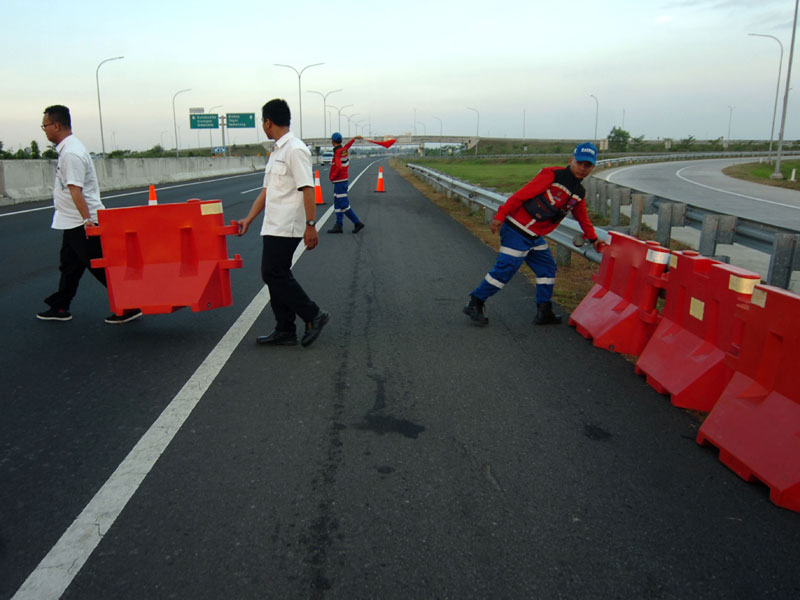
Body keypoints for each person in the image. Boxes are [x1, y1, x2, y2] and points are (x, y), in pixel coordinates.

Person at [463, 142, 604, 326]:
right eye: (580, 163)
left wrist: (593, 238)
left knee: (547, 268)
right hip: (517, 229)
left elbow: (582, 217)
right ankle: (475, 302)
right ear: (571, 160)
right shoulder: (553, 175)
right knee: (505, 270)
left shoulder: (579, 192)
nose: (583, 168)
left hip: (534, 236)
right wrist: (501, 215)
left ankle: (544, 311)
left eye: (588, 165)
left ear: (592, 167)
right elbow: (521, 195)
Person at [235, 98, 330, 347]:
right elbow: (267, 191)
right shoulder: (277, 150)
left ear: (268, 122)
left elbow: (307, 188)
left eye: (262, 122)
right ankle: (285, 329)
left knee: (273, 272)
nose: (262, 126)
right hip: (273, 223)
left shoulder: (295, 149)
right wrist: (249, 219)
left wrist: (311, 224)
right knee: (276, 274)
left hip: (288, 224)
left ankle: (313, 314)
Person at [36, 105, 141, 324]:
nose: (44, 130)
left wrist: (87, 221)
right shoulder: (69, 149)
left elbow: (76, 190)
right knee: (70, 266)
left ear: (57, 125)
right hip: (72, 220)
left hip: (83, 221)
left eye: (45, 126)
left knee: (99, 266)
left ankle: (130, 305)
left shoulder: (71, 153)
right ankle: (60, 306)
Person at [327, 132, 365, 234]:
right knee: (337, 204)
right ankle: (338, 225)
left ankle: (357, 222)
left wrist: (332, 176)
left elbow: (339, 167)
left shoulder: (337, 152)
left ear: (332, 141)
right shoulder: (343, 150)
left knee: (343, 205)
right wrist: (354, 139)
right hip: (342, 181)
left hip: (340, 181)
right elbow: (347, 146)